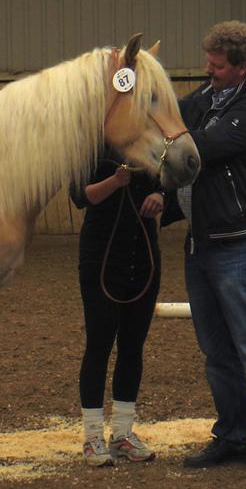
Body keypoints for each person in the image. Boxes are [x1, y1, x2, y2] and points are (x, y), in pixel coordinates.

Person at [163, 20, 246, 479]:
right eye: (209, 62)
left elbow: (198, 147)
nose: (209, 70)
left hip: (239, 241)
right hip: (203, 240)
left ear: (242, 67)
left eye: (218, 65)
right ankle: (233, 436)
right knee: (217, 350)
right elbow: (172, 113)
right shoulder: (210, 96)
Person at [70, 152, 164, 466]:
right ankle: (93, 436)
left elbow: (168, 182)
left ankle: (123, 432)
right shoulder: (90, 150)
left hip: (143, 256)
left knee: (132, 346)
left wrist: (160, 196)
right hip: (101, 260)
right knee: (98, 346)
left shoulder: (149, 148)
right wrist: (114, 181)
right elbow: (81, 196)